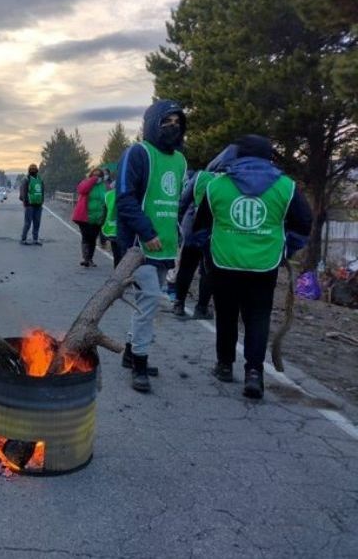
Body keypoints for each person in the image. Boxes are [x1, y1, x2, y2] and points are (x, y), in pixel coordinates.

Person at [194, 135, 312, 399]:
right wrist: (284, 249)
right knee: (258, 317)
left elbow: (200, 227)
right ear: (268, 156)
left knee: (225, 314)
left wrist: (209, 251)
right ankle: (254, 373)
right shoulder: (286, 187)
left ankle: (224, 365)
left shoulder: (217, 186)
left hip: (224, 262)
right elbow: (304, 224)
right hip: (264, 265)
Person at [116, 99, 188, 392]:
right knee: (150, 300)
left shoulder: (181, 161)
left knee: (147, 301)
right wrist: (146, 233)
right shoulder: (138, 153)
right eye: (166, 121)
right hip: (138, 246)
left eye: (178, 122)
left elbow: (178, 203)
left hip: (167, 246)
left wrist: (179, 234)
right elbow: (124, 198)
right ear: (152, 124)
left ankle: (130, 352)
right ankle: (141, 364)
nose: (173, 127)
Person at [173, 169, 216, 320]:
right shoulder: (229, 180)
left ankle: (179, 304)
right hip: (214, 232)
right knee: (208, 271)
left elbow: (183, 201)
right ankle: (201, 308)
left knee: (186, 267)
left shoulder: (200, 176)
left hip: (191, 228)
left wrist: (178, 224)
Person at [72, 168, 106, 267]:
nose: (97, 177)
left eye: (99, 176)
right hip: (85, 217)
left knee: (93, 238)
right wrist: (92, 180)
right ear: (91, 176)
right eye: (94, 175)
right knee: (86, 236)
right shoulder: (86, 183)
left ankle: (90, 258)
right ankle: (86, 258)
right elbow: (81, 190)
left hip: (98, 217)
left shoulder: (104, 186)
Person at [19, 163, 44, 245]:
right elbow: (23, 192)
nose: (33, 170)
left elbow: (42, 191)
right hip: (29, 205)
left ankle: (35, 239)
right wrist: (24, 202)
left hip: (38, 204)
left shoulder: (39, 179)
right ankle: (23, 239)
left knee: (37, 223)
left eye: (34, 169)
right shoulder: (26, 179)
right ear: (29, 170)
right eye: (32, 169)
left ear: (36, 170)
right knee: (28, 223)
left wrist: (42, 201)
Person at [100, 178, 121, 266]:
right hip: (125, 230)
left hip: (111, 229)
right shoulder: (130, 194)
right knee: (124, 254)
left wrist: (102, 237)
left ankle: (118, 272)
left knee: (116, 254)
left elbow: (104, 215)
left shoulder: (108, 195)